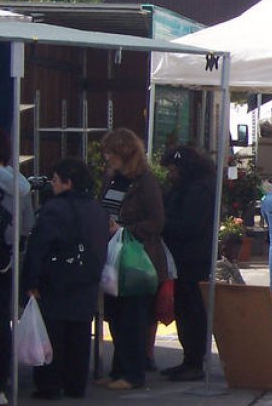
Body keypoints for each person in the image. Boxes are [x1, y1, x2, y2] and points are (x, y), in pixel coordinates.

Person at [22, 158, 109, 400]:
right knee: (80, 336)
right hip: (88, 280)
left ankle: (50, 385)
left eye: (56, 179)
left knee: (53, 335)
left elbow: (38, 248)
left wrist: (31, 281)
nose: (52, 183)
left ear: (67, 183)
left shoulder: (53, 210)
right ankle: (75, 385)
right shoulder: (97, 210)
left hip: (56, 280)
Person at [97, 128, 167, 391]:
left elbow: (157, 221)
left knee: (134, 319)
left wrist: (125, 229)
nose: (107, 158)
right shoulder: (112, 179)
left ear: (125, 153)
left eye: (111, 153)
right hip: (113, 254)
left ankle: (134, 373)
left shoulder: (145, 182)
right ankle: (118, 370)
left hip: (137, 258)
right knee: (115, 316)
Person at [159, 146, 217, 381]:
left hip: (192, 257)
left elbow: (189, 225)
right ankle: (189, 359)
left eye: (173, 170)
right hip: (184, 256)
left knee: (192, 309)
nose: (170, 175)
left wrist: (161, 223)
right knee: (184, 309)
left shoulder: (198, 190)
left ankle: (194, 360)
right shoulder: (186, 188)